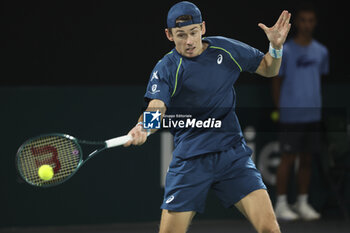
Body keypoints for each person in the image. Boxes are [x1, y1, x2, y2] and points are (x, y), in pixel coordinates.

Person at [125, 1, 291, 232]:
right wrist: (144, 127)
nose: (189, 41)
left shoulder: (225, 49)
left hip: (233, 156)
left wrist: (275, 47)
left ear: (203, 28)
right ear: (169, 35)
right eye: (181, 35)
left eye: (193, 32)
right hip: (191, 160)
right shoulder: (167, 68)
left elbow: (268, 68)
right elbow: (157, 105)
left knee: (270, 229)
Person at [272, 3, 329, 221]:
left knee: (306, 160)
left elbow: (319, 80)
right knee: (287, 159)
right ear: (297, 23)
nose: (307, 25)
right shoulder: (285, 51)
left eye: (310, 21)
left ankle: (303, 203)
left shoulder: (322, 52)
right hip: (291, 115)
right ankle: (281, 204)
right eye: (303, 20)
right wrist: (281, 108)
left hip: (312, 115)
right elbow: (276, 82)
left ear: (314, 23)